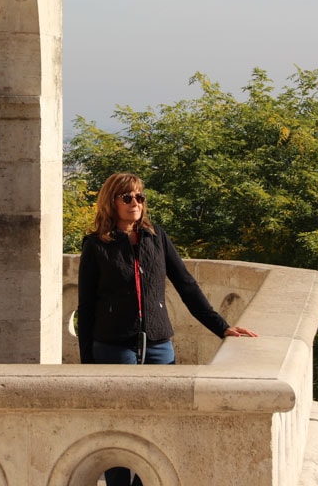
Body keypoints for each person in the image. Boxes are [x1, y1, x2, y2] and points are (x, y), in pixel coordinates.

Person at [77, 173, 257, 486]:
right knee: (119, 427)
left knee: (163, 426)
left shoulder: (156, 237)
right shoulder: (96, 245)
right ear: (112, 202)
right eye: (127, 197)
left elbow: (186, 285)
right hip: (114, 347)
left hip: (160, 345)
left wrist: (222, 327)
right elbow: (87, 306)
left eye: (140, 197)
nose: (135, 203)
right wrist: (86, 365)